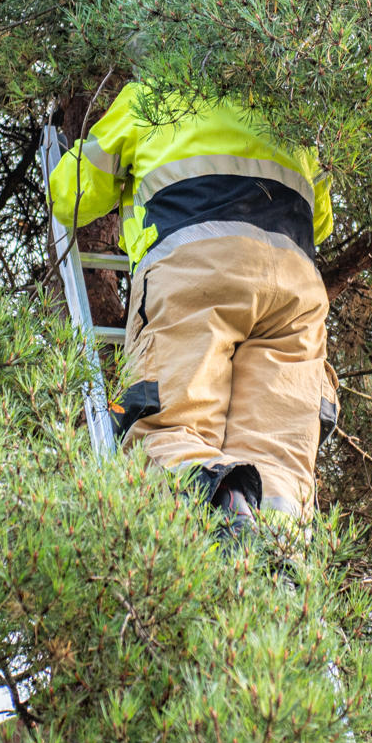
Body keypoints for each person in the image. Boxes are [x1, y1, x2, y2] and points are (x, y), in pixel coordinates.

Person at [48, 81, 337, 527]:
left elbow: (69, 195)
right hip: (294, 291)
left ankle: (228, 516)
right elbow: (322, 223)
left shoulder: (152, 95)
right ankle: (280, 562)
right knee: (279, 459)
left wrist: (76, 155)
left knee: (168, 429)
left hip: (197, 271)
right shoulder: (290, 110)